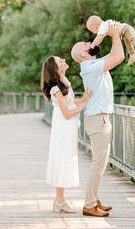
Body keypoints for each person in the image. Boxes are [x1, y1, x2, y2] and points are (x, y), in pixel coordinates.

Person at [71, 23, 124, 217]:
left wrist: (114, 35)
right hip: (98, 118)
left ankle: (94, 199)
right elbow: (119, 57)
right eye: (85, 44)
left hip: (100, 117)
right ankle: (89, 204)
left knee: (100, 162)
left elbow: (115, 55)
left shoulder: (93, 64)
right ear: (85, 54)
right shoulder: (90, 67)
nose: (89, 42)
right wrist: (116, 34)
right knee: (99, 163)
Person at [41, 55, 92, 213]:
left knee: (65, 159)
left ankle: (60, 200)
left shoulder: (64, 81)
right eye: (60, 61)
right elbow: (67, 113)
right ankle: (60, 201)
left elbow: (69, 102)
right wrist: (82, 106)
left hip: (67, 127)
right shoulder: (55, 88)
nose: (64, 60)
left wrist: (81, 100)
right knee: (63, 160)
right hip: (63, 127)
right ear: (56, 68)